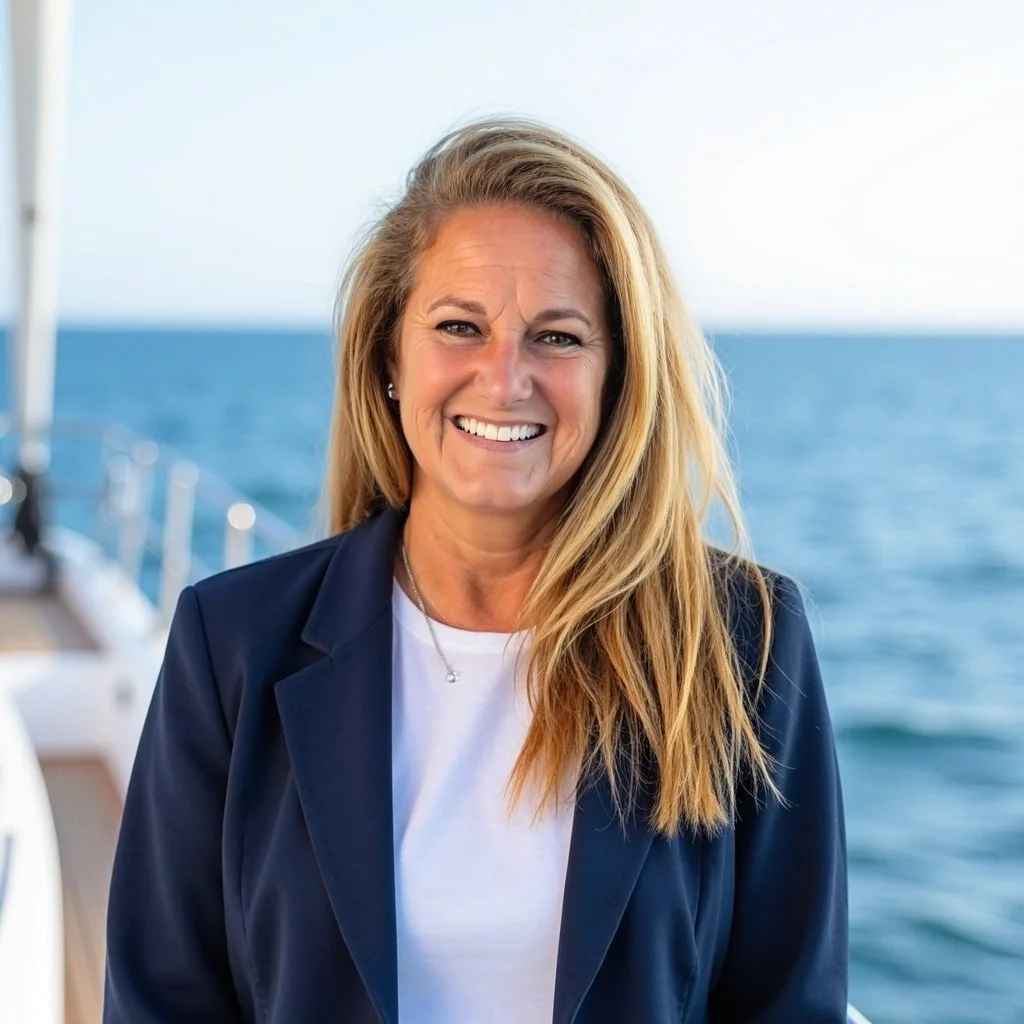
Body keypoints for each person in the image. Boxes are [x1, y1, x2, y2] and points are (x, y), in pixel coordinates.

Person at [103, 118, 848, 1023]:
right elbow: (162, 1000)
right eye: (460, 327)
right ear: (389, 356)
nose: (504, 380)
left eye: (559, 337)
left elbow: (788, 1006)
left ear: (619, 376)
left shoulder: (743, 640)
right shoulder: (232, 641)